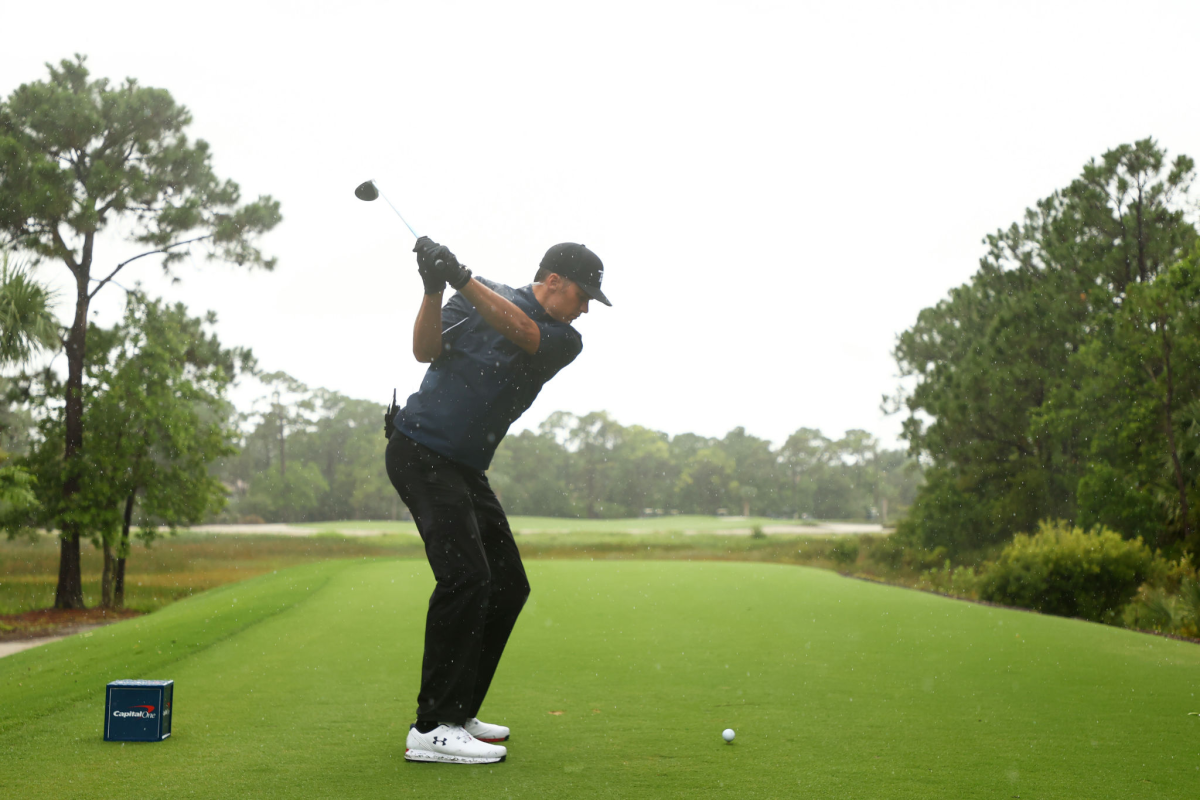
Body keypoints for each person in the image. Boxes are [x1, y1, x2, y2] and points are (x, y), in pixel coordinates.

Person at [386, 237, 610, 765]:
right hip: (419, 451)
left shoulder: (563, 338)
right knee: (466, 576)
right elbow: (425, 350)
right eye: (583, 296)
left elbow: (524, 331)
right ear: (553, 280)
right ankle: (432, 726)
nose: (585, 310)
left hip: (463, 467)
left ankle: (458, 711)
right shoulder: (473, 296)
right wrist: (434, 290)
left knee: (508, 584)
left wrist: (462, 278)